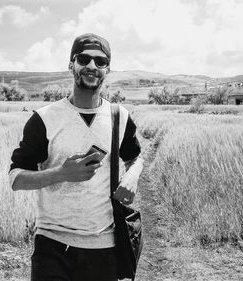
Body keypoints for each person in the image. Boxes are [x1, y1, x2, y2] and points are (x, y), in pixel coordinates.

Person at [9, 33, 144, 281]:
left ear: (107, 69)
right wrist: (61, 173)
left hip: (103, 248)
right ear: (71, 64)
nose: (92, 66)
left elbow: (135, 158)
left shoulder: (119, 117)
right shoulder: (44, 119)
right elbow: (15, 178)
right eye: (84, 59)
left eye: (100, 62)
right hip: (52, 246)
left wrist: (132, 175)